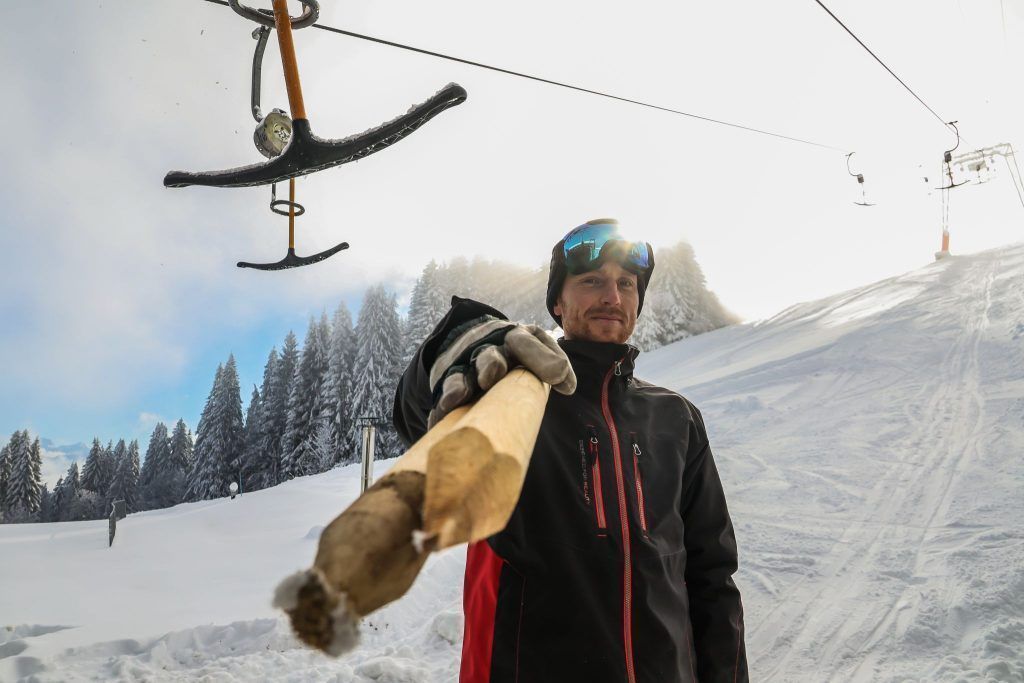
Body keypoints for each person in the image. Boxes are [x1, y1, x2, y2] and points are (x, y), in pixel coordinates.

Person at [393, 219, 748, 683]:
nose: (612, 297)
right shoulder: (515, 398)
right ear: (557, 304)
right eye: (592, 281)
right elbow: (417, 421)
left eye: (626, 284)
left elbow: (712, 578)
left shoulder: (676, 418)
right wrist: (444, 353)